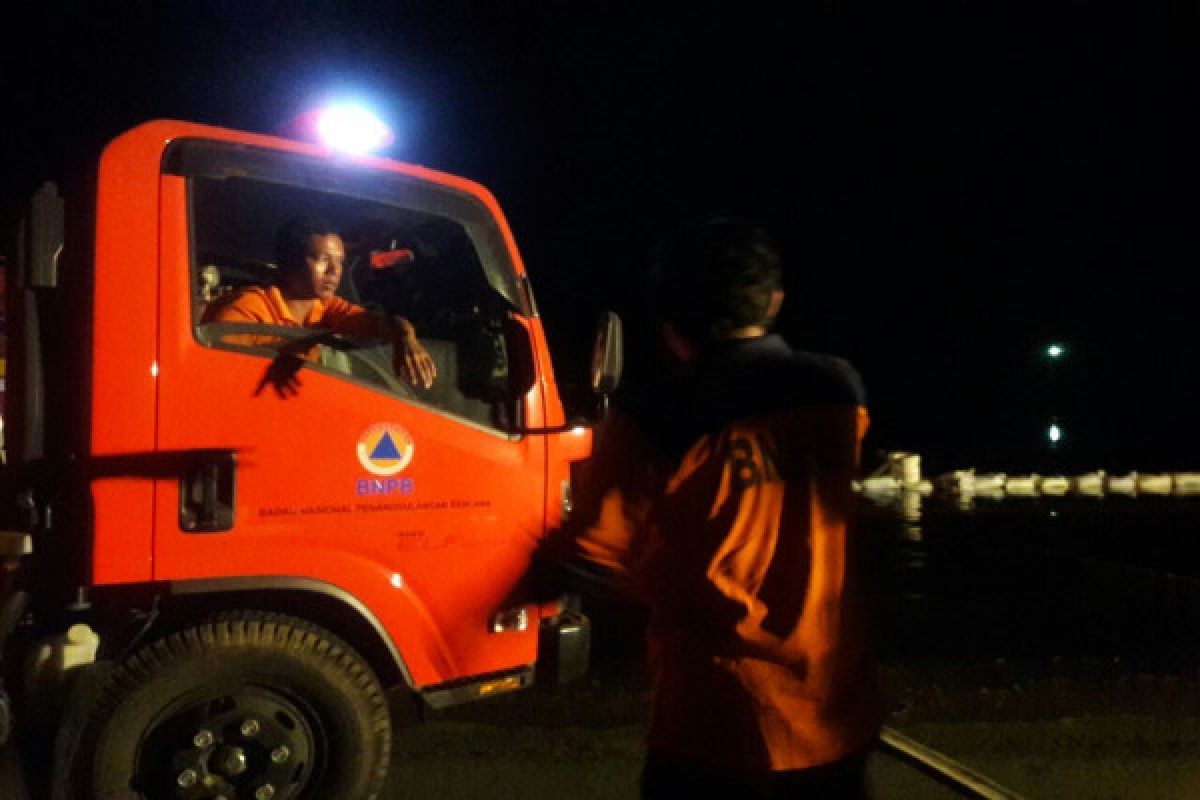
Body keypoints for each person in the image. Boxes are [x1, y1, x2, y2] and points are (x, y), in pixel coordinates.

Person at [559, 217, 881, 799]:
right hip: (835, 716)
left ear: (668, 323)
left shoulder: (655, 418)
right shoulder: (839, 394)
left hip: (714, 725)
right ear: (775, 300)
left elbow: (593, 557)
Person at [204, 216, 437, 389]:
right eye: (324, 259)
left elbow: (373, 323)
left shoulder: (324, 306)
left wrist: (405, 334)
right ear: (291, 260)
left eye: (339, 261)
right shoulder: (246, 310)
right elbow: (211, 376)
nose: (335, 271)